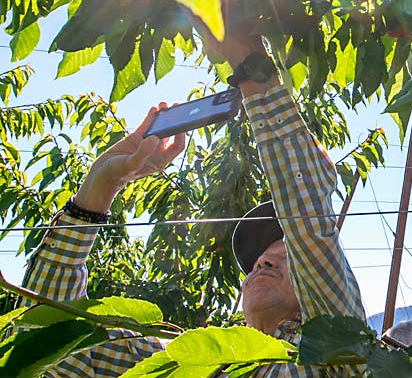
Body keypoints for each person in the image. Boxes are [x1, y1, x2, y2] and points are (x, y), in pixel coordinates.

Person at [19, 30, 366, 376]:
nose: (262, 262)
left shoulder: (336, 356)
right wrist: (100, 187)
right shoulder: (188, 364)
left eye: (286, 255)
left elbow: (308, 218)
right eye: (261, 259)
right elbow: (50, 342)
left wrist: (252, 71)